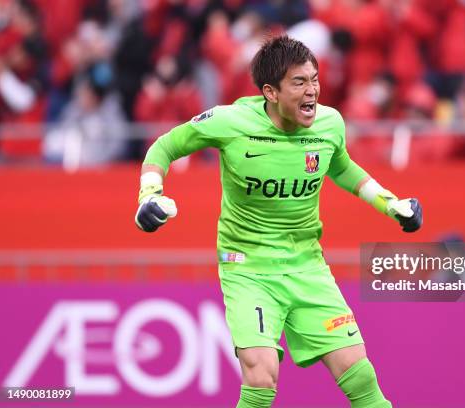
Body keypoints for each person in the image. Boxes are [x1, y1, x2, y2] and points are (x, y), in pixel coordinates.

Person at [134, 35, 422, 407]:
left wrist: (390, 203)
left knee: (360, 373)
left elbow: (342, 167)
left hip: (307, 266)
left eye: (314, 79)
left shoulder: (329, 123)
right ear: (270, 92)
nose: (312, 91)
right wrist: (149, 193)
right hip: (248, 269)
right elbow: (165, 146)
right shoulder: (230, 122)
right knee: (262, 374)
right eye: (299, 83)